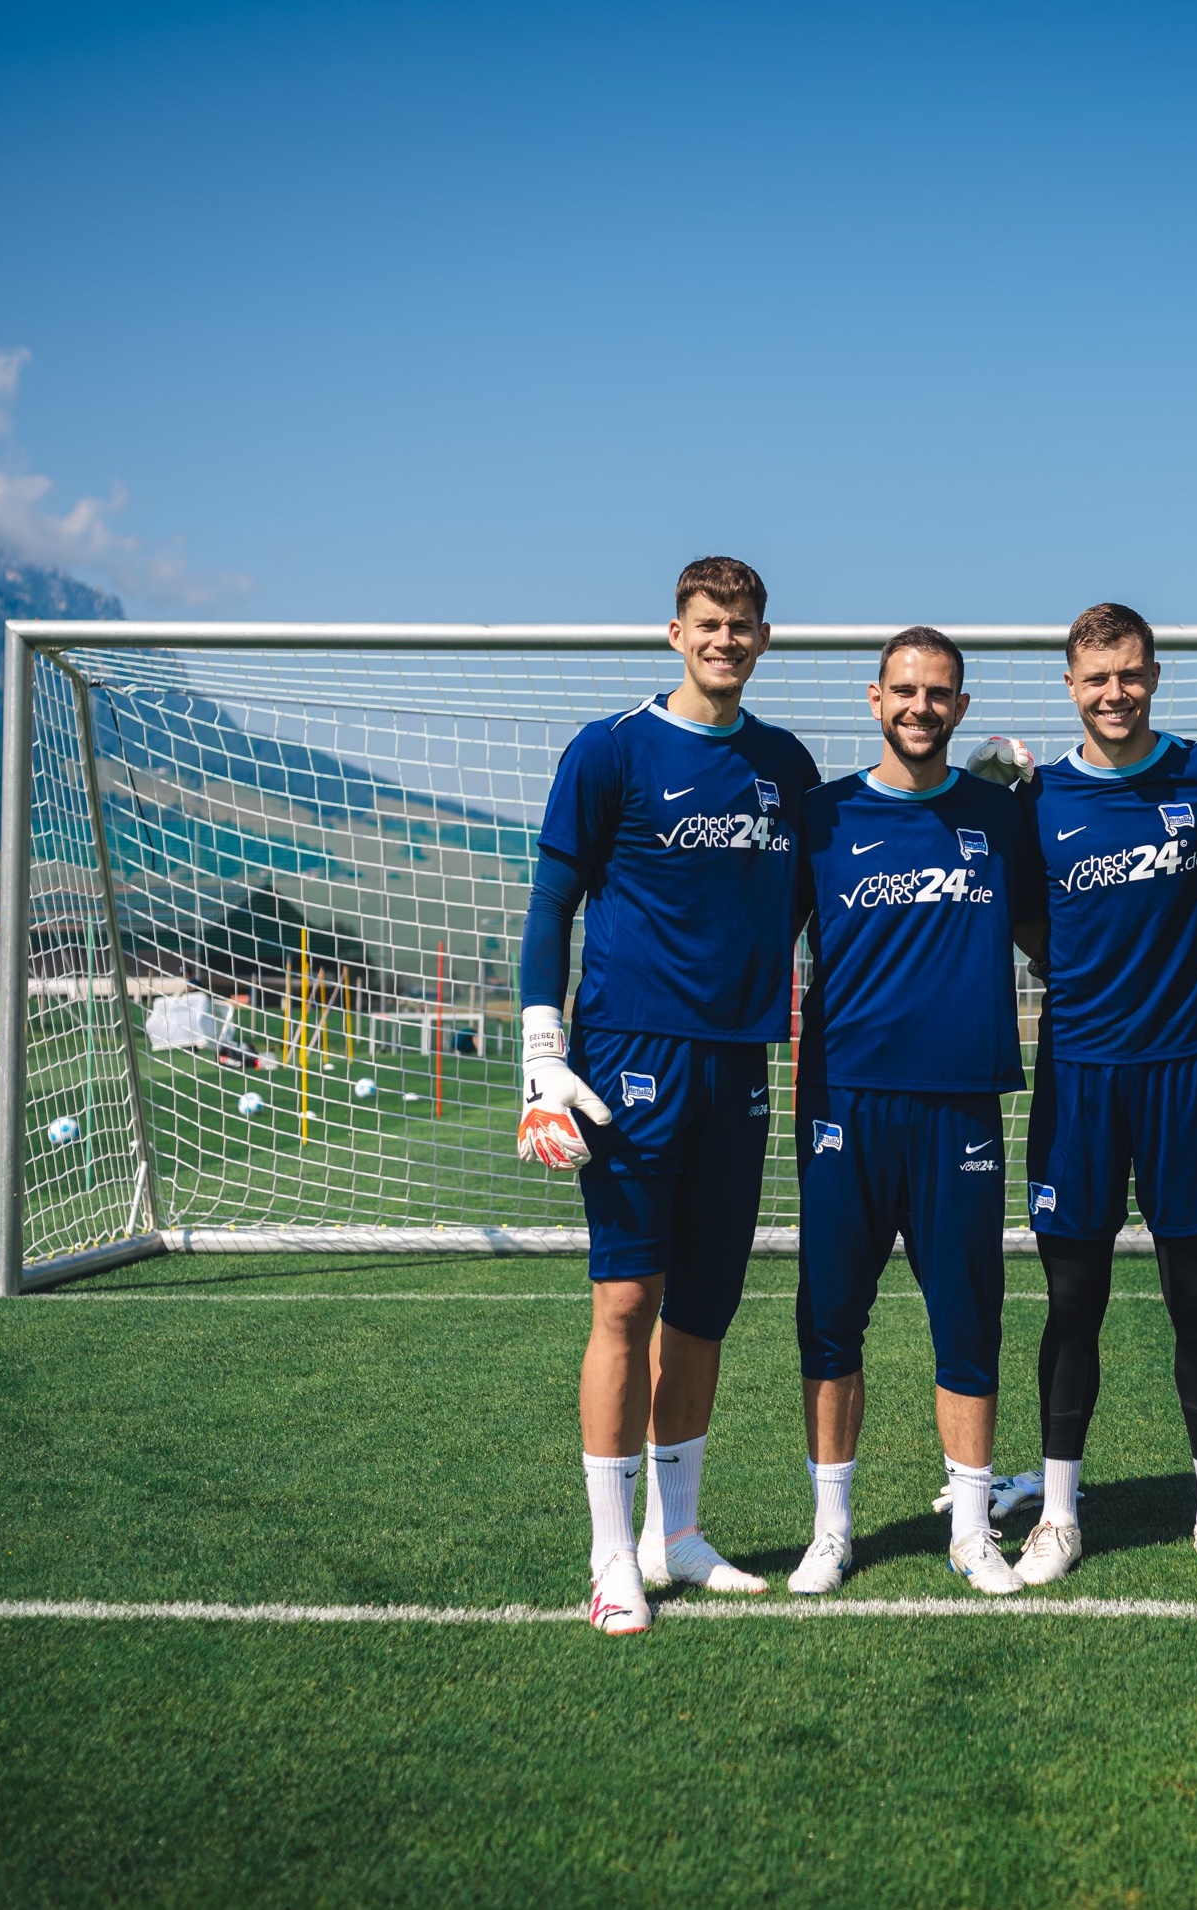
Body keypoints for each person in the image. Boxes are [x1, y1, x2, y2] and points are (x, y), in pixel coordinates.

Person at [516, 556, 823, 1636]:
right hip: (630, 1061)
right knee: (623, 1303)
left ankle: (677, 1536)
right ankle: (611, 1556)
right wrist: (542, 1051)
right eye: (707, 622)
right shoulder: (611, 750)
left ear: (764, 637)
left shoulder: (787, 764)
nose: (725, 639)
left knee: (703, 1310)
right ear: (675, 631)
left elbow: (797, 907)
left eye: (742, 623)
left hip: (740, 1061)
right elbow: (552, 902)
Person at [999, 603, 1197, 1587]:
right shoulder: (1035, 797)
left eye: (1129, 674)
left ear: (1154, 674)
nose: (1114, 693)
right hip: (1078, 1073)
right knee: (1072, 1300)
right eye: (1095, 678)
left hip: (1186, 1071)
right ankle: (1060, 1516)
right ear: (1069, 686)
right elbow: (1023, 912)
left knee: (1196, 1299)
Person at [785, 627, 1047, 1597]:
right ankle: (831, 1529)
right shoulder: (822, 817)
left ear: (962, 707)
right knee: (829, 1323)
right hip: (844, 1101)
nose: (920, 706)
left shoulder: (999, 817)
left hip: (962, 1108)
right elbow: (750, 934)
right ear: (874, 697)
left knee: (968, 1322)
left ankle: (973, 1530)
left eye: (939, 692)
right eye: (904, 689)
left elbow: (1052, 932)